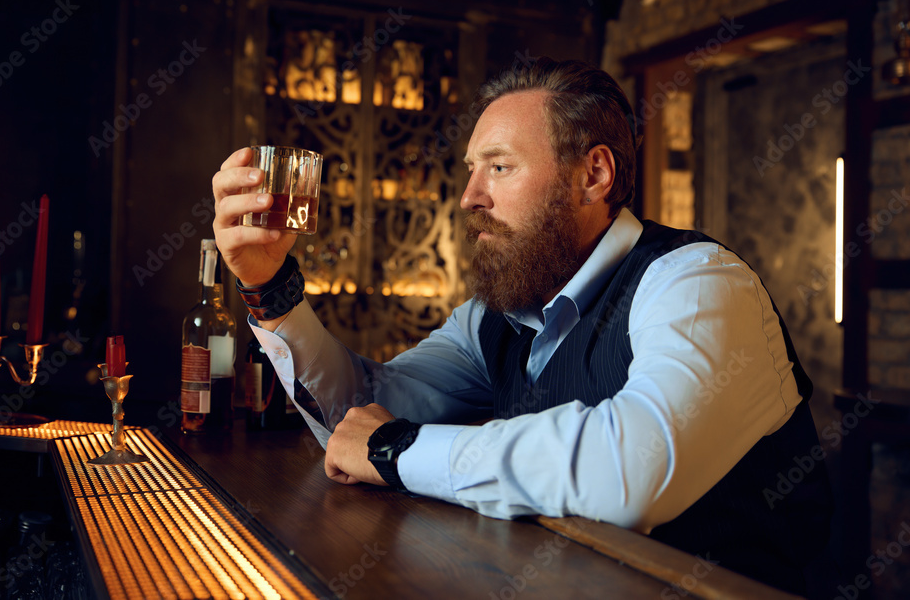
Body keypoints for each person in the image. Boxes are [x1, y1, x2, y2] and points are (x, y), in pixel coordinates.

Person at [212, 58, 832, 594]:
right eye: (471, 169)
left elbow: (631, 472)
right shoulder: (495, 318)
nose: (469, 197)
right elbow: (359, 416)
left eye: (500, 168)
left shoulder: (699, 282)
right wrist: (272, 291)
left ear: (593, 175)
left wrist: (395, 448)